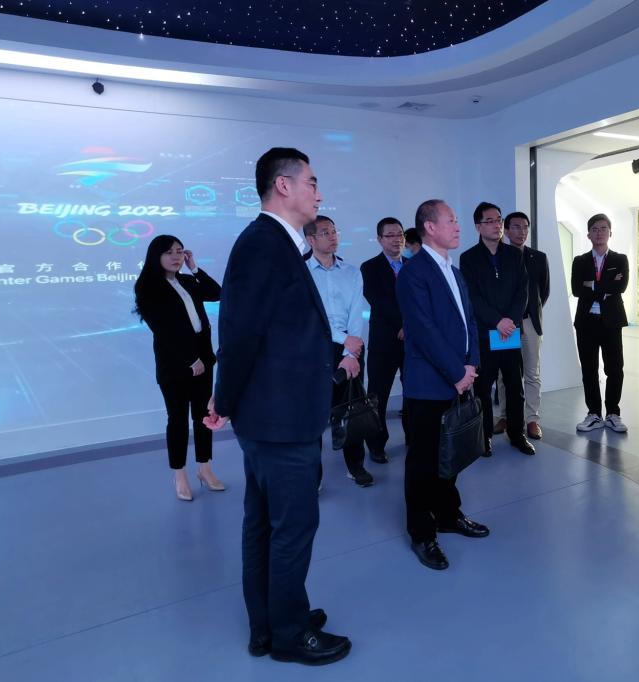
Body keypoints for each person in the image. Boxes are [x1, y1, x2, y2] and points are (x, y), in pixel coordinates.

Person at [206, 147, 350, 666]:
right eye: (312, 182)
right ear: (283, 186)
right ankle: (289, 634)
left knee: (267, 522)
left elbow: (282, 329)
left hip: (277, 413)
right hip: (279, 418)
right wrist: (224, 399)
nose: (319, 193)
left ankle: (269, 623)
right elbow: (240, 333)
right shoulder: (263, 244)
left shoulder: (280, 244)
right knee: (292, 526)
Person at [396, 199, 489, 571]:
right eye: (450, 220)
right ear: (430, 227)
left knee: (451, 453)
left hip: (459, 378)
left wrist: (472, 365)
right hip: (429, 383)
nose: (457, 225)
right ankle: (422, 533)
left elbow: (470, 321)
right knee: (423, 461)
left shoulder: (455, 270)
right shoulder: (413, 273)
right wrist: (456, 371)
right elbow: (423, 330)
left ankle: (449, 515)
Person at [133, 234, 223, 501]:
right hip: (175, 364)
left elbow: (216, 292)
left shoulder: (187, 281)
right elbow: (162, 330)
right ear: (156, 256)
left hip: (204, 359)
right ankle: (180, 474)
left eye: (180, 251)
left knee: (204, 416)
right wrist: (189, 359)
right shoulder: (148, 286)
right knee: (178, 419)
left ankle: (205, 468)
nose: (176, 257)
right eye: (169, 252)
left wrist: (195, 268)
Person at [460, 202, 534, 456]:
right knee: (483, 389)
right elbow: (472, 297)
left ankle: (517, 434)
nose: (496, 225)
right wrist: (497, 321)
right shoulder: (469, 258)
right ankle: (485, 436)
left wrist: (510, 320)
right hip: (485, 333)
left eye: (499, 220)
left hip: (510, 332)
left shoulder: (514, 255)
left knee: (515, 387)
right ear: (478, 226)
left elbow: (522, 292)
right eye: (490, 221)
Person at [304, 215, 372, 486]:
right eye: (325, 232)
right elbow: (309, 317)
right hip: (314, 349)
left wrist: (351, 353)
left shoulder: (351, 272)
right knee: (312, 415)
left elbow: (357, 313)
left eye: (334, 231)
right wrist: (344, 339)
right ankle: (313, 476)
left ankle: (356, 466)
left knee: (352, 408)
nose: (333, 236)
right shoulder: (301, 273)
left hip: (349, 349)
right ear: (310, 239)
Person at [571, 213, 629, 433]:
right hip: (586, 322)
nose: (599, 232)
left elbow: (621, 287)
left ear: (610, 232)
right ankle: (594, 413)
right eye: (595, 229)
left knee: (615, 368)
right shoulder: (580, 261)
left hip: (611, 321)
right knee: (589, 369)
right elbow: (577, 289)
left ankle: (613, 413)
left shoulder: (620, 259)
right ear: (588, 234)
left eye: (604, 228)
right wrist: (606, 286)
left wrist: (592, 285)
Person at [494, 211, 550, 440]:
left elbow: (543, 292)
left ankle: (532, 419)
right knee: (503, 374)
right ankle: (504, 416)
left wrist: (530, 313)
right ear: (506, 231)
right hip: (504, 324)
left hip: (530, 322)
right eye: (516, 227)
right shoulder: (497, 257)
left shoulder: (539, 257)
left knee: (532, 373)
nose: (522, 231)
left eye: (525, 227)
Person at [360, 217, 409, 463]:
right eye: (390, 235)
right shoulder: (369, 268)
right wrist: (402, 324)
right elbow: (377, 300)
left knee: (415, 393)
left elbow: (422, 300)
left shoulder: (413, 266)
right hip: (384, 342)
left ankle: (414, 436)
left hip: (413, 342)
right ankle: (377, 444)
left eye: (400, 234)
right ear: (380, 239)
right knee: (377, 396)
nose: (396, 239)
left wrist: (410, 326)